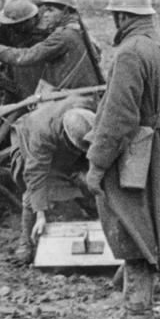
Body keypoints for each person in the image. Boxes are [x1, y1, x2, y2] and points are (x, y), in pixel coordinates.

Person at [85, 0, 160, 319]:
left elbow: (118, 117)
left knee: (130, 226)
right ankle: (133, 299)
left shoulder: (130, 53)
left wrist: (97, 165)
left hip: (134, 156)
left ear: (124, 17)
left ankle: (137, 312)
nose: (114, 22)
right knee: (149, 224)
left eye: (115, 16)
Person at [10, 103, 97, 263]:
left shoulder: (85, 113)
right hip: (27, 140)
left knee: (84, 180)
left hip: (68, 145)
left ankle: (97, 217)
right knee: (35, 190)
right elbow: (35, 177)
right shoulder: (41, 135)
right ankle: (25, 243)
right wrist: (40, 214)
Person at [0, 0, 103, 92]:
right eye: (46, 10)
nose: (46, 14)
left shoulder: (62, 35)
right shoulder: (72, 29)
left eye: (51, 10)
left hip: (71, 92)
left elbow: (26, 57)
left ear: (66, 11)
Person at [0, 0, 49, 95]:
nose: (14, 28)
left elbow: (28, 56)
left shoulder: (45, 31)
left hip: (31, 67)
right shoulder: (12, 21)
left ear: (31, 20)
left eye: (19, 25)